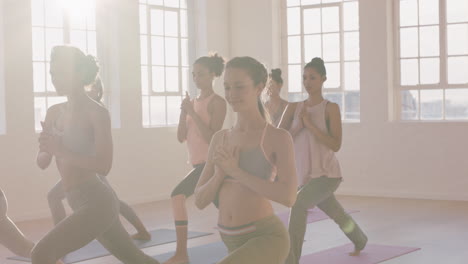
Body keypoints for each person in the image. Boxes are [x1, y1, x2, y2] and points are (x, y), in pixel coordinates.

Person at [32, 45, 160, 264]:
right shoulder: (54, 111)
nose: (54, 79)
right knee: (135, 259)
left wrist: (60, 149)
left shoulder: (97, 113)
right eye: (52, 73)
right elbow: (43, 162)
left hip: (97, 200)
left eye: (60, 72)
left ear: (80, 73)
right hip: (77, 199)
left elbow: (103, 165)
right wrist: (47, 146)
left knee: (41, 254)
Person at [194, 56, 297, 264]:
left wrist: (236, 172)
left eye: (239, 87)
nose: (231, 94)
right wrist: (220, 175)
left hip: (266, 237)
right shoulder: (219, 138)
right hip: (230, 240)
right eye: (227, 87)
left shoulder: (277, 138)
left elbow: (288, 197)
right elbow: (199, 200)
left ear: (259, 87)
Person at [279, 57, 368, 264]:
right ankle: (360, 239)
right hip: (307, 176)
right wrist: (299, 126)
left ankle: (290, 260)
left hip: (327, 175)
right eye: (304, 77)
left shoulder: (331, 108)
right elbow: (281, 139)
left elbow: (335, 144)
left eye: (312, 77)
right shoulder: (294, 108)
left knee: (298, 204)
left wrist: (309, 124)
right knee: (336, 213)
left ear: (323, 79)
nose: (307, 82)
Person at [46, 77, 151, 241]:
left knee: (113, 202)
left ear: (95, 90)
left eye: (91, 89)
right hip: (79, 169)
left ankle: (142, 231)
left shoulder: (96, 112)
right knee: (54, 196)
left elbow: (98, 153)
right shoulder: (71, 111)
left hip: (91, 170)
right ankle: (60, 241)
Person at [164, 53, 227, 264]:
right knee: (227, 210)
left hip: (211, 164)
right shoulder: (192, 103)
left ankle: (182, 253)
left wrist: (192, 111)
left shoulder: (217, 102)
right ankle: (253, 245)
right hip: (199, 163)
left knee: (177, 195)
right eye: (193, 74)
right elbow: (181, 137)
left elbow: (212, 138)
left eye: (200, 74)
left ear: (212, 75)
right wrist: (184, 112)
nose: (196, 78)